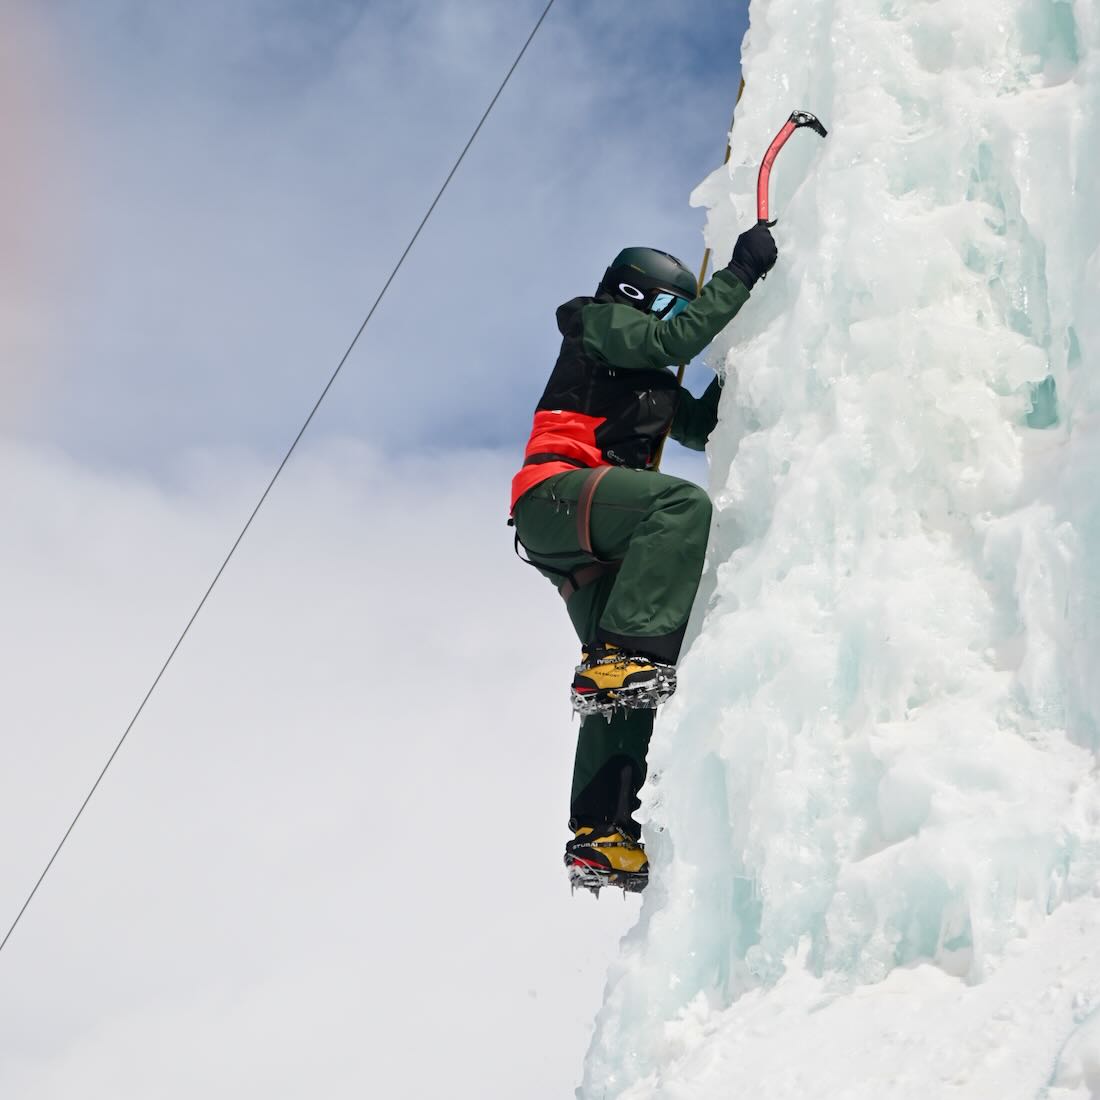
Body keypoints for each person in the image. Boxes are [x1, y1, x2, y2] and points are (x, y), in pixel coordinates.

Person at [510, 223, 778, 893]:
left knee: (630, 690)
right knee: (679, 507)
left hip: (586, 538)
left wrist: (750, 360)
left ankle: (601, 833)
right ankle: (622, 652)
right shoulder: (598, 325)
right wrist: (740, 275)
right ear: (635, 295)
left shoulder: (650, 382)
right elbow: (670, 342)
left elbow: (706, 427)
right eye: (667, 305)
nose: (671, 320)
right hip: (556, 497)